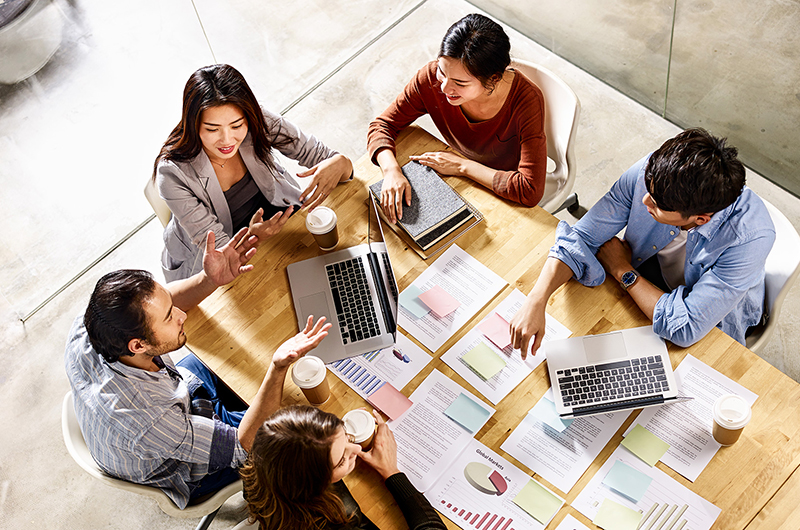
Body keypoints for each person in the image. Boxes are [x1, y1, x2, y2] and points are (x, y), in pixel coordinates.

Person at [64, 227, 332, 509]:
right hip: (183, 466)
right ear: (138, 346)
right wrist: (278, 368)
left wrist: (209, 280)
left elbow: (162, 306)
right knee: (303, 432)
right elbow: (244, 447)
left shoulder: (91, 324)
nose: (182, 315)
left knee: (244, 367)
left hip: (171, 401)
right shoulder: (148, 420)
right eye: (170, 317)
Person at [510, 128, 776, 354]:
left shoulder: (749, 239)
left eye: (657, 205)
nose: (643, 201)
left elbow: (685, 328)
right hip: (650, 278)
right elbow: (582, 238)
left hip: (710, 320)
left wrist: (622, 270)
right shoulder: (654, 174)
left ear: (700, 219)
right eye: (647, 191)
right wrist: (537, 300)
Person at [155, 63, 353, 281]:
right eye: (212, 129)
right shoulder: (171, 173)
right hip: (220, 257)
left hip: (276, 224)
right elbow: (220, 252)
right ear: (192, 125)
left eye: (236, 125)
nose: (227, 140)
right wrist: (252, 237)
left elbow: (320, 155)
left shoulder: (256, 119)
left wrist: (340, 162)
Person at [367, 13, 547, 223]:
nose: (444, 88)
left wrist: (462, 166)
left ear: (494, 79)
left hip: (497, 185)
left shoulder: (526, 101)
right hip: (456, 175)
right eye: (442, 72)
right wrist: (390, 170)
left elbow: (530, 189)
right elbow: (383, 125)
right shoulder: (429, 79)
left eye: (460, 83)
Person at [239, 406, 446, 530]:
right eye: (340, 461)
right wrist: (392, 472)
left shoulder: (260, 464)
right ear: (313, 485)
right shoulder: (340, 524)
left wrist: (330, 439)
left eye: (346, 435)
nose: (356, 448)